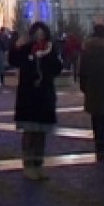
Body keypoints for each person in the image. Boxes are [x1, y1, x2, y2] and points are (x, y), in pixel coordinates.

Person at [10, 20, 63, 180]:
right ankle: (28, 165)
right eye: (36, 33)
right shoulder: (26, 49)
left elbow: (57, 68)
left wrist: (48, 62)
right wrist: (16, 46)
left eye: (42, 33)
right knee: (30, 132)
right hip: (28, 96)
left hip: (44, 96)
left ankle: (38, 164)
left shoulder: (50, 49)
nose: (39, 36)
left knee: (41, 133)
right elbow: (13, 60)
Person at [78, 23, 104, 161]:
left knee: (95, 115)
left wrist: (83, 85)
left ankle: (99, 142)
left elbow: (82, 69)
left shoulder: (87, 50)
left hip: (93, 85)